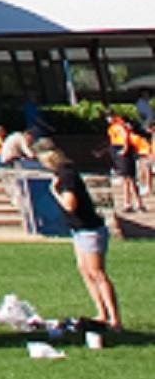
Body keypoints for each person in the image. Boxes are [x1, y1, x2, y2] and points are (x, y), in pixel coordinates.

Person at [34, 139, 121, 330]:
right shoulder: (63, 173)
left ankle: (114, 318)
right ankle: (102, 312)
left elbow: (69, 204)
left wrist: (53, 192)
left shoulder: (66, 175)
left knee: (97, 273)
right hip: (79, 230)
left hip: (90, 229)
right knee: (85, 270)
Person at [105, 113, 147, 211]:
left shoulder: (119, 126)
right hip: (117, 149)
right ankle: (132, 202)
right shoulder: (113, 127)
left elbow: (124, 137)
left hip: (123, 151)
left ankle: (132, 203)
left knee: (128, 178)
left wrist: (124, 149)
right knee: (127, 178)